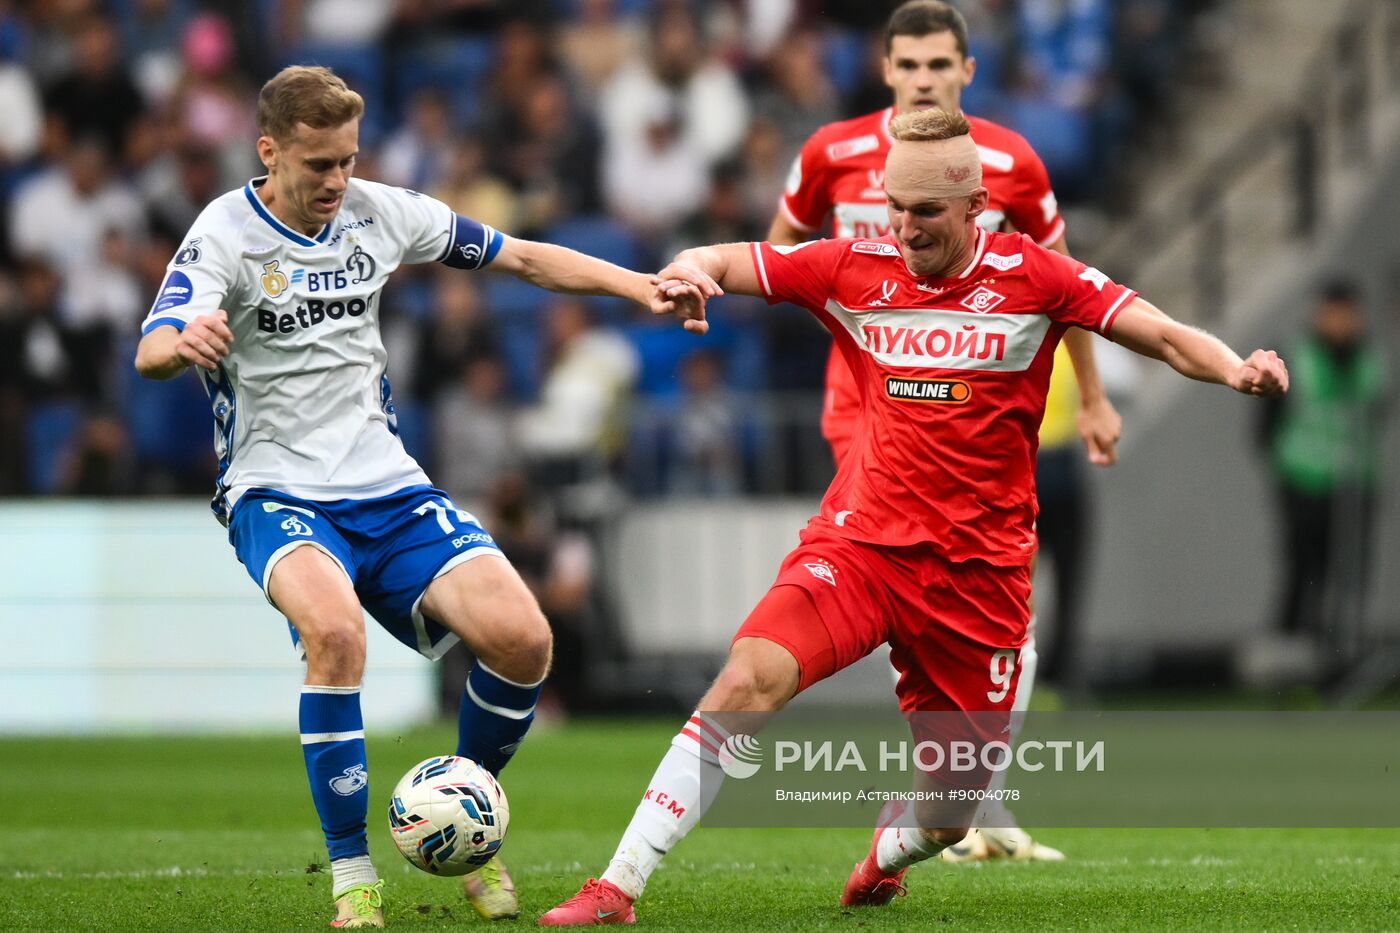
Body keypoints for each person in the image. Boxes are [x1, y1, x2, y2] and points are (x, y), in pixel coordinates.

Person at [540, 107, 1287, 925]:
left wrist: (1235, 368)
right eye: (894, 204)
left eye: (925, 211)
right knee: (747, 678)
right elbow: (734, 258)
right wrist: (690, 269)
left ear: (975, 209)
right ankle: (618, 883)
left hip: (981, 579)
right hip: (861, 548)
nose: (903, 225)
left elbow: (1162, 333)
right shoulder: (852, 267)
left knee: (949, 816)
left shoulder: (1038, 278)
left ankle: (885, 849)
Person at [132, 65, 709, 929]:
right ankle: (353, 873)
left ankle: (460, 814)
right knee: (334, 635)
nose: (336, 181)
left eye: (347, 161)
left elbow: (520, 256)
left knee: (523, 638)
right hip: (274, 486)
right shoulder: (223, 233)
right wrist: (186, 339)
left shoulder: (380, 209)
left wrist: (639, 286)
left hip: (388, 484)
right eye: (318, 163)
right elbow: (151, 350)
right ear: (269, 150)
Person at [765, 0, 1118, 861]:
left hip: (975, 412)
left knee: (1000, 603)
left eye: (940, 67)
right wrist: (866, 339)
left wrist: (1095, 398)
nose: (924, 79)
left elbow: (1067, 289)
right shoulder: (832, 153)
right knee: (904, 575)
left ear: (967, 72)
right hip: (869, 406)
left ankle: (967, 800)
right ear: (885, 70)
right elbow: (781, 253)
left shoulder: (1011, 163)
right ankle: (953, 804)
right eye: (910, 66)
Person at [1260, 279, 1389, 681]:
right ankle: (1289, 666)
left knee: (1349, 573)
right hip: (1303, 481)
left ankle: (1338, 665)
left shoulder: (1371, 361)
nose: (1340, 322)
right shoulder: (1296, 357)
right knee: (1303, 570)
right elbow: (1266, 426)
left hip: (1356, 483)